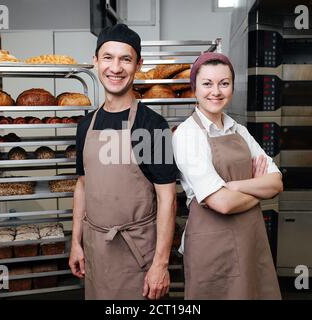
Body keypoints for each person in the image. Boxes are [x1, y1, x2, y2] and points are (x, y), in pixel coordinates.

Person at [69, 24, 177, 300]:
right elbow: (82, 185)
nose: (115, 68)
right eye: (108, 57)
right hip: (96, 249)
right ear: (95, 61)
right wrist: (75, 242)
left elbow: (167, 198)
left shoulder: (153, 125)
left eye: (125, 59)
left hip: (137, 254)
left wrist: (160, 265)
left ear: (138, 64)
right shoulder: (85, 125)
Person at [172, 52, 283, 299]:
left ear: (232, 86)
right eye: (207, 83)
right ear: (194, 88)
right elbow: (221, 203)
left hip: (250, 240)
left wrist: (233, 185)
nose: (216, 91)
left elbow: (276, 182)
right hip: (212, 247)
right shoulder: (187, 135)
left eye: (224, 83)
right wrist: (257, 189)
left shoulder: (239, 130)